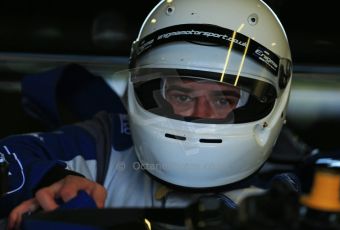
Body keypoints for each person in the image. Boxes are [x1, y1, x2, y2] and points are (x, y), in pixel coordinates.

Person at [0, 0, 297, 228]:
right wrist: (50, 179)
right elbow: (8, 156)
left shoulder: (287, 195)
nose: (200, 116)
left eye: (224, 99)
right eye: (182, 95)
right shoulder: (107, 143)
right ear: (147, 88)